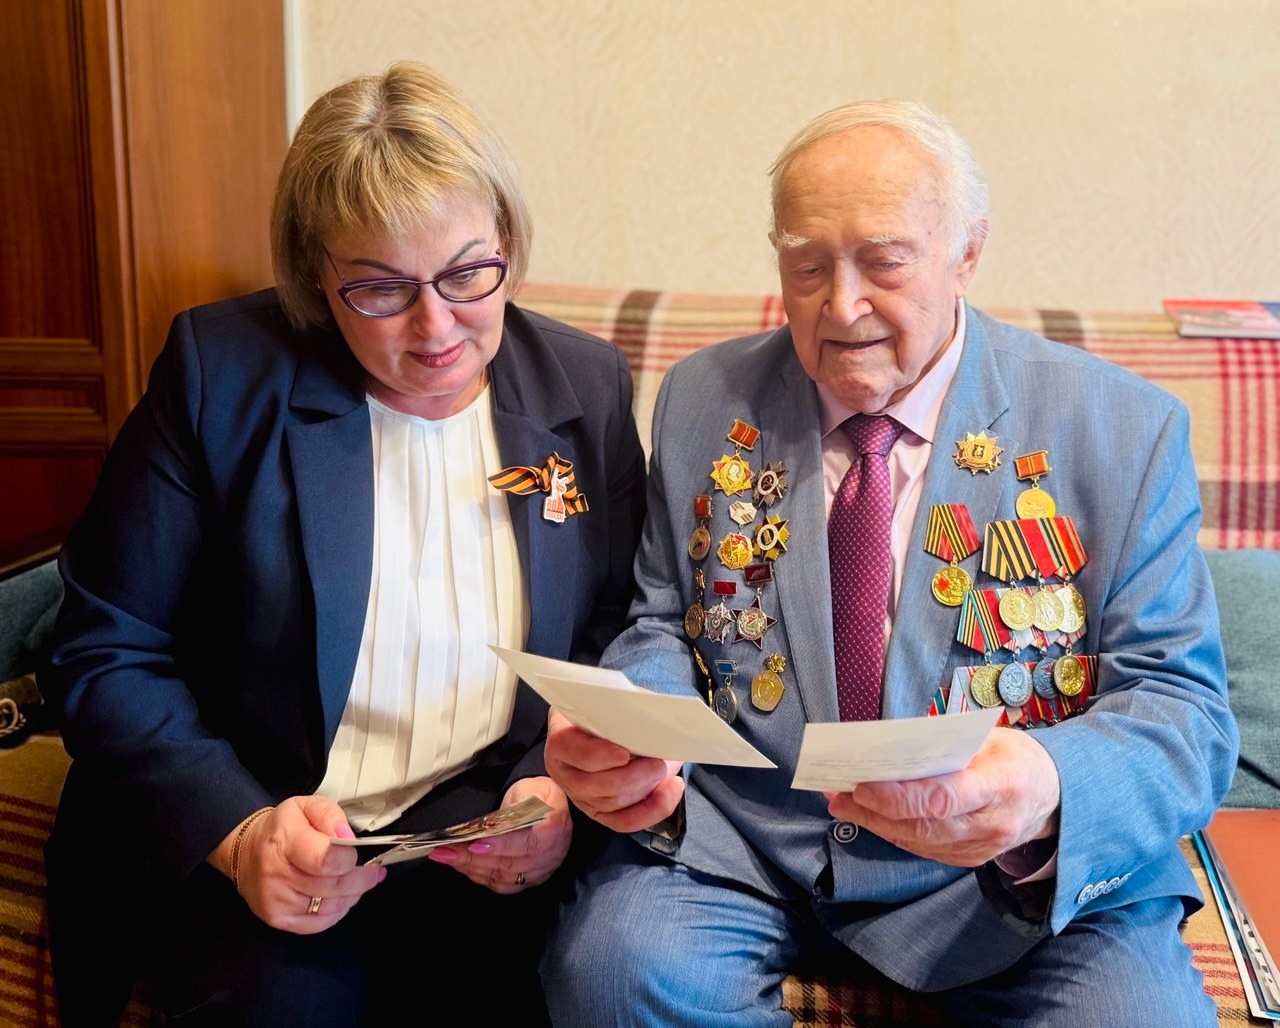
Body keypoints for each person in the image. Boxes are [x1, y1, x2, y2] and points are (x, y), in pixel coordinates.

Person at [540, 99, 1238, 1026]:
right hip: (751, 845)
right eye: (807, 266)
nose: (842, 305)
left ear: (967, 253)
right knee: (611, 976)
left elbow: (1183, 711)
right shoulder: (705, 396)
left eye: (884, 262)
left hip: (1005, 878)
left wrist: (1045, 787)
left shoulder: (1123, 428)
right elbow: (664, 621)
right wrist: (639, 724)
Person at [42, 61, 646, 1026]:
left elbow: (616, 630)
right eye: (382, 289)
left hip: (476, 829)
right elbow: (104, 648)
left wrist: (550, 786)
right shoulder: (221, 374)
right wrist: (240, 834)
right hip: (268, 816)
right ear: (318, 278)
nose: (437, 326)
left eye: (467, 274)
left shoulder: (586, 388)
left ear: (508, 242)